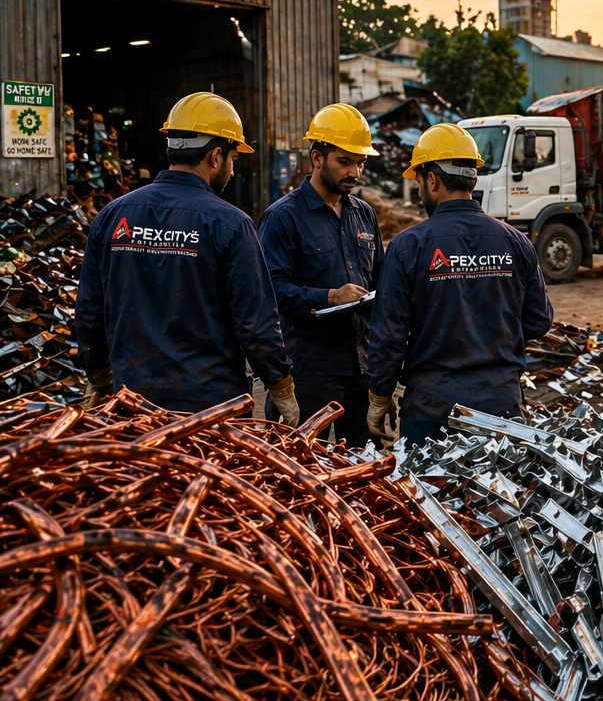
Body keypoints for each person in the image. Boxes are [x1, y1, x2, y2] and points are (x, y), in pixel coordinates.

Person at [76, 92, 295, 416]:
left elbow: (90, 308)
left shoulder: (112, 215)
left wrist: (98, 374)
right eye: (233, 159)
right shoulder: (231, 224)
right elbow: (256, 324)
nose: (232, 171)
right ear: (217, 156)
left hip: (132, 404)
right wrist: (281, 386)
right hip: (211, 411)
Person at [366, 123, 551, 446]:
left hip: (432, 407)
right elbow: (538, 320)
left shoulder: (408, 246)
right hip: (502, 404)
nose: (421, 189)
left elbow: (389, 336)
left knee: (431, 494)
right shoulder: (515, 241)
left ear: (432, 180)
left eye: (420, 181)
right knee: (496, 495)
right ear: (473, 178)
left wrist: (380, 397)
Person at [258, 104, 381, 444]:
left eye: (360, 163)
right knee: (296, 467)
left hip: (361, 368)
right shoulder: (283, 218)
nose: (354, 172)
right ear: (316, 158)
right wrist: (330, 296)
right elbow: (270, 291)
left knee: (363, 471)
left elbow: (381, 280)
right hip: (309, 370)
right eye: (345, 161)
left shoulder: (365, 215)